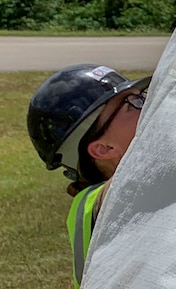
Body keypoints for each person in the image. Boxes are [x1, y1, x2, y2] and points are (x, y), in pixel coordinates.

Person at [27, 65, 150, 289]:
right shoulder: (92, 204)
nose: (148, 106)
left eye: (141, 96)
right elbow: (141, 175)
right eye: (132, 104)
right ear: (103, 149)